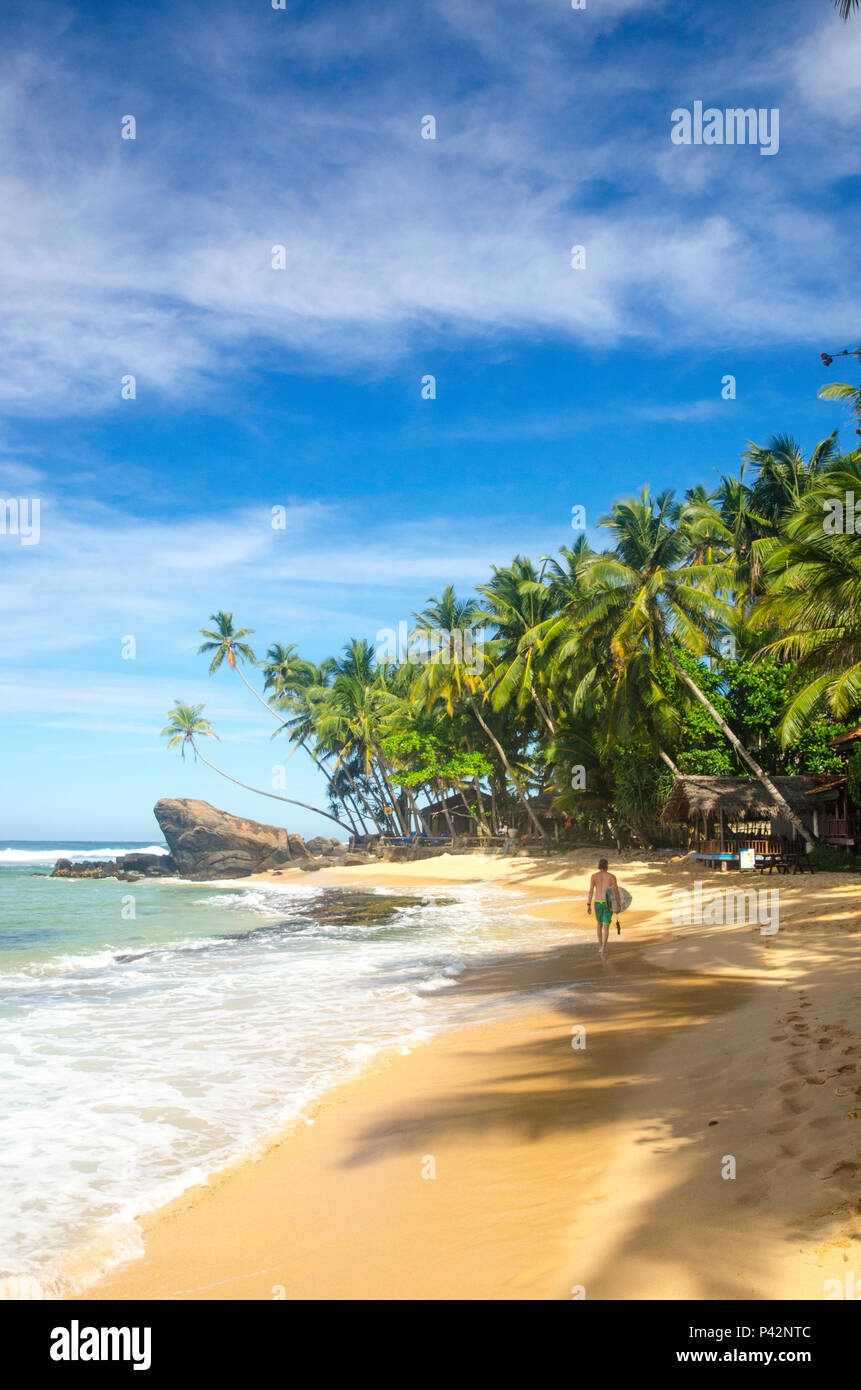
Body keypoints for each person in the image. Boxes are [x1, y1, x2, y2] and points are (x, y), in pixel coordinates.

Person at [587, 857, 620, 962]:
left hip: (597, 903)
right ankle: (603, 949)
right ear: (607, 866)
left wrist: (588, 904)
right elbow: (616, 892)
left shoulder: (594, 876)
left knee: (599, 924)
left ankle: (600, 945)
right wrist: (619, 905)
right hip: (607, 903)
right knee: (606, 926)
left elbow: (591, 892)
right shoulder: (611, 877)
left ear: (599, 866)